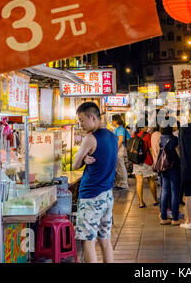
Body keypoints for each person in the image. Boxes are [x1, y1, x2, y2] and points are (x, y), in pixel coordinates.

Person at [73, 102, 118, 263]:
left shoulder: (90, 138)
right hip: (107, 195)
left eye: (82, 120)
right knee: (105, 240)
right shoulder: (113, 137)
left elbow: (75, 164)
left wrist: (83, 158)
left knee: (88, 241)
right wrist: (87, 158)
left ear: (93, 117)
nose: (81, 124)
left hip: (91, 196)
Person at [133, 116, 159, 208]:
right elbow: (151, 149)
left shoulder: (134, 134)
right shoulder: (147, 136)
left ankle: (141, 202)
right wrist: (155, 161)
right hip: (147, 160)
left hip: (136, 161)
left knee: (139, 182)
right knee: (151, 181)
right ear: (144, 126)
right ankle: (155, 200)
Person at [159, 122, 182, 226]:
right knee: (175, 193)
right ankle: (175, 218)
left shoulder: (159, 138)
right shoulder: (174, 139)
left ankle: (163, 217)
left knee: (164, 191)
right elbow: (179, 154)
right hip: (174, 167)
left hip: (163, 167)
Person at [112, 114, 130, 190]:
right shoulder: (118, 128)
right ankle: (119, 183)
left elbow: (121, 139)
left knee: (120, 166)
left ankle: (123, 184)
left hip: (120, 148)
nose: (111, 122)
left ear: (116, 121)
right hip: (119, 148)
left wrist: (116, 148)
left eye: (112, 120)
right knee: (118, 166)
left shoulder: (120, 128)